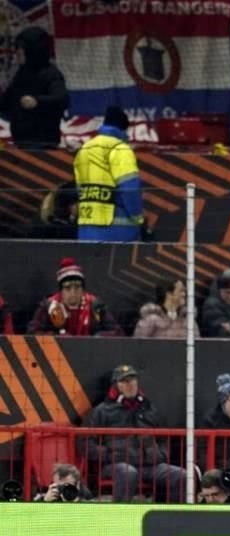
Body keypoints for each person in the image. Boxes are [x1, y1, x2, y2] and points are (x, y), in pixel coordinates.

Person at [81, 364, 187, 503]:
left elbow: (164, 438)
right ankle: (120, 517)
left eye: (132, 380)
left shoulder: (149, 408)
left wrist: (161, 454)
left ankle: (171, 517)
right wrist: (109, 455)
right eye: (124, 381)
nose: (130, 384)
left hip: (149, 464)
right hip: (115, 465)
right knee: (128, 473)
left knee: (181, 475)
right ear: (116, 385)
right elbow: (86, 442)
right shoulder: (102, 410)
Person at [74, 106, 145, 242]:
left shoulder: (84, 149)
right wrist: (138, 217)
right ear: (124, 129)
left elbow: (79, 189)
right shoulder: (120, 149)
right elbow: (130, 189)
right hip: (118, 232)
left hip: (86, 229)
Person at [0, 27, 68, 149]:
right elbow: (7, 101)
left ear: (32, 51)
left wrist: (37, 101)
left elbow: (62, 99)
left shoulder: (51, 73)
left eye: (21, 51)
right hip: (21, 141)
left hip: (44, 143)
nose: (17, 54)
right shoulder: (21, 74)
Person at [27, 258, 122, 336]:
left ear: (83, 289)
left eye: (77, 286)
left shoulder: (95, 305)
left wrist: (97, 338)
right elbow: (32, 333)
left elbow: (117, 333)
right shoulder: (49, 306)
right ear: (61, 291)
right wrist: (56, 337)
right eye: (68, 287)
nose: (73, 292)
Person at [134, 280, 198, 338]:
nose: (184, 294)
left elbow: (198, 346)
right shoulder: (151, 319)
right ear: (169, 294)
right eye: (181, 291)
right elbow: (139, 345)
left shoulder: (188, 320)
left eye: (184, 291)